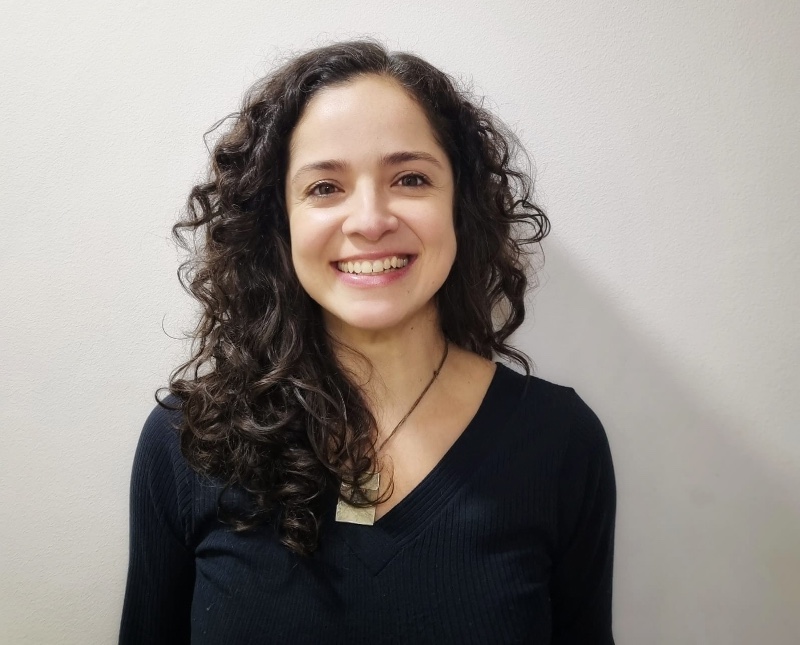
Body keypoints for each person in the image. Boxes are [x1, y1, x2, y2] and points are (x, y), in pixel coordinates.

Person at [119, 40, 616, 644]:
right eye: (325, 188)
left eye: (410, 179)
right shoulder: (186, 442)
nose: (371, 220)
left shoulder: (561, 441)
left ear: (460, 206)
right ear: (280, 220)